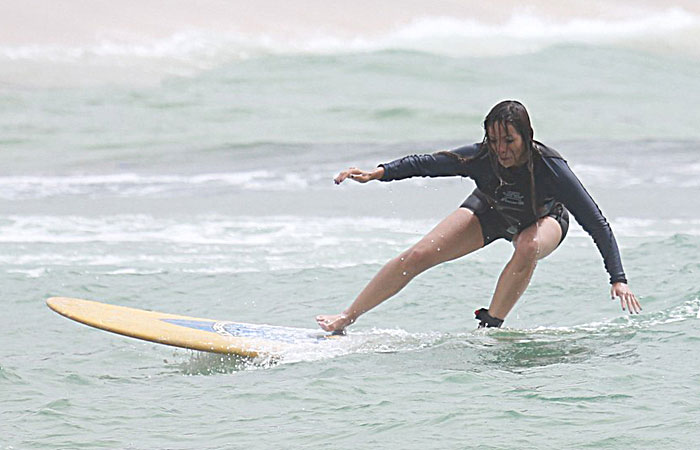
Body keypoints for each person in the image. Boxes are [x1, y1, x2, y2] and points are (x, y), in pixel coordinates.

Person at [316, 100, 640, 332]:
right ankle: (346, 317)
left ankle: (491, 326)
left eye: (509, 140)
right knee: (418, 254)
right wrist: (380, 173)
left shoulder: (551, 168)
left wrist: (618, 278)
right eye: (494, 140)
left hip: (545, 219)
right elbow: (428, 163)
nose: (501, 150)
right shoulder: (481, 157)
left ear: (527, 135)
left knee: (527, 247)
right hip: (492, 210)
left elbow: (596, 222)